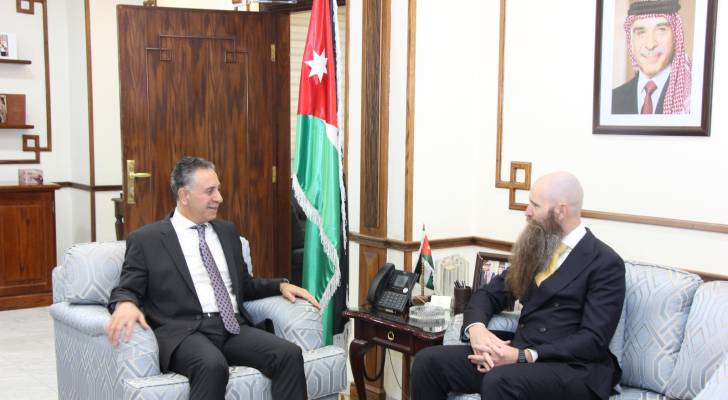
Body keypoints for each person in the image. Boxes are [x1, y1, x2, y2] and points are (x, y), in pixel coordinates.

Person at [106, 156, 320, 400]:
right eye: (210, 191)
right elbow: (127, 288)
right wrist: (125, 304)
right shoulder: (148, 240)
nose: (219, 197)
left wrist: (280, 285)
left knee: (288, 354)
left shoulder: (227, 232)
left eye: (218, 189)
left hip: (232, 327)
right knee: (212, 366)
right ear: (184, 195)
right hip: (185, 333)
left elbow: (245, 285)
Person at [411, 172, 625, 400]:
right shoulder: (538, 248)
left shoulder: (605, 262)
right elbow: (489, 295)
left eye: (535, 205)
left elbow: (592, 341)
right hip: (518, 354)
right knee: (428, 362)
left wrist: (523, 356)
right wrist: (477, 330)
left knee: (499, 380)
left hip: (571, 369)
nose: (527, 211)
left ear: (561, 211)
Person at [612, 0, 691, 115]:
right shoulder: (612, 100)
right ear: (631, 43)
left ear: (676, 37)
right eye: (641, 32)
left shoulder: (693, 96)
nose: (650, 45)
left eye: (661, 30)